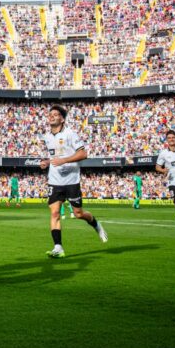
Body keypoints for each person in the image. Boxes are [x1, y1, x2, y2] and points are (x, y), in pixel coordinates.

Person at [40, 105, 107, 258]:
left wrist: (64, 160)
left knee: (78, 214)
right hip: (54, 181)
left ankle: (95, 223)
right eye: (50, 114)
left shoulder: (70, 134)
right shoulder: (47, 137)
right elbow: (53, 157)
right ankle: (58, 247)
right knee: (55, 212)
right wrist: (47, 162)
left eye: (56, 114)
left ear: (62, 119)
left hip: (71, 180)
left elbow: (83, 153)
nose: (52, 116)